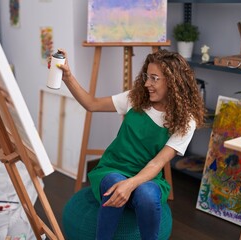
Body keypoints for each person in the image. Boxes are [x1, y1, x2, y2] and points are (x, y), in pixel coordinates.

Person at [51, 49, 205, 240]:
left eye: (155, 78)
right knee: (115, 184)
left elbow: (157, 164)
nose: (147, 83)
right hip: (112, 169)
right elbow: (92, 104)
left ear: (173, 82)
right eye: (147, 77)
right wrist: (67, 77)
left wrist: (130, 184)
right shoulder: (135, 98)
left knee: (147, 195)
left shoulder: (185, 120)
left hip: (147, 176)